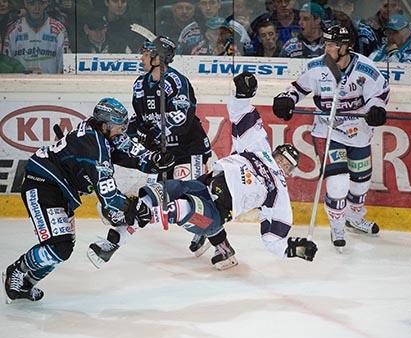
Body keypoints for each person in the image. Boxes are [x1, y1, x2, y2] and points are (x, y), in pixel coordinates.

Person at [88, 72, 318, 270]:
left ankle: (209, 240)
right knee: (156, 191)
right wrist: (243, 93)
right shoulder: (259, 148)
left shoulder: (279, 190)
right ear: (275, 152)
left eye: (288, 165)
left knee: (179, 208)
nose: (282, 165)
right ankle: (114, 241)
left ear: (289, 173)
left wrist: (293, 249)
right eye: (282, 158)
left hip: (215, 213)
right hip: (201, 186)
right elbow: (240, 113)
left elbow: (273, 239)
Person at [2, 97, 174, 302]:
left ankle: (25, 285)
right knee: (59, 247)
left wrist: (153, 160)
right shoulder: (95, 147)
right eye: (120, 127)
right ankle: (17, 270)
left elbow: (129, 148)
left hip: (61, 190)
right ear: (106, 125)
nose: (122, 130)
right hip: (41, 183)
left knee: (62, 248)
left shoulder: (102, 131)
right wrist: (132, 205)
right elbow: (108, 197)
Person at [273, 25, 389, 249]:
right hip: (328, 132)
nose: (327, 49)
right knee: (338, 183)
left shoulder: (366, 68)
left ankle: (354, 219)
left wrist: (377, 109)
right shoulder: (316, 67)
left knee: (360, 183)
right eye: (325, 44)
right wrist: (286, 99)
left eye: (332, 45)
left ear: (346, 47)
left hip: (359, 134)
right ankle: (337, 226)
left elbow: (379, 94)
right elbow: (296, 89)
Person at [128, 35, 212, 257]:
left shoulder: (176, 81)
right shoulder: (139, 85)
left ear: (159, 57)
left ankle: (209, 231)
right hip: (163, 151)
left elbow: (183, 118)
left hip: (189, 147)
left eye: (146, 53)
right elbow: (140, 120)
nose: (142, 57)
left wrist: (155, 132)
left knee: (192, 197)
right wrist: (126, 133)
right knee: (157, 196)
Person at [2, 0, 69, 73]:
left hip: (51, 83)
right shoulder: (14, 30)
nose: (37, 8)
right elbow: (6, 63)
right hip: (20, 82)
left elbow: (65, 63)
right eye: (32, 3)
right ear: (25, 4)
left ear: (46, 3)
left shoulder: (58, 29)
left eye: (41, 3)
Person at [177, 0, 251, 55]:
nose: (208, 7)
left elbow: (249, 53)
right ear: (199, 5)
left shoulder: (236, 28)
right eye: (204, 3)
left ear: (219, 4)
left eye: (212, 3)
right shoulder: (189, 30)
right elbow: (179, 55)